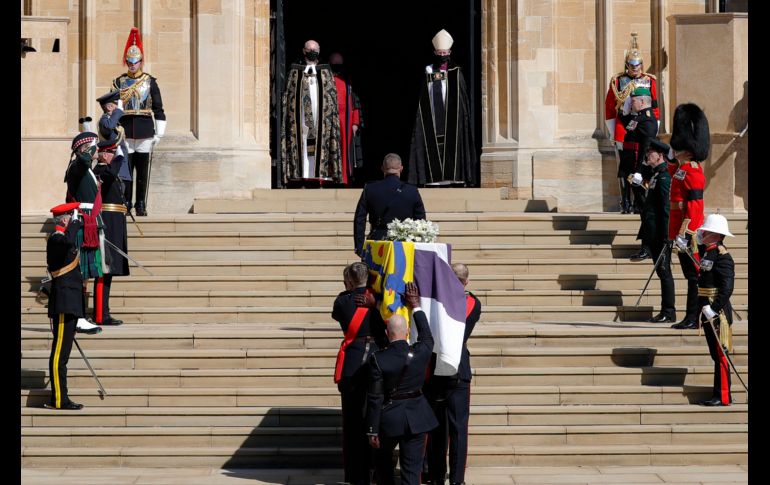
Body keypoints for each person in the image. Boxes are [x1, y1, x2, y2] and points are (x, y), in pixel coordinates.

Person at [366, 282, 438, 485]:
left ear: (388, 334)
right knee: (411, 471)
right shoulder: (420, 352)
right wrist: (415, 305)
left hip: (389, 418)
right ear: (407, 332)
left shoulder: (378, 359)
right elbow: (427, 336)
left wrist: (372, 428)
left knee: (382, 466)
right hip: (417, 416)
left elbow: (375, 396)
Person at [424, 263, 481, 485]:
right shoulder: (447, 302)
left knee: (447, 430)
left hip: (452, 371)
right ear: (466, 281)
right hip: (443, 372)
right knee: (452, 430)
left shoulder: (469, 303)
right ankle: (452, 479)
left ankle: (445, 478)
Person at [332, 262, 387, 485]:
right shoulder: (381, 300)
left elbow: (338, 315)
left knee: (354, 422)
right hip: (378, 358)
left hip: (353, 361)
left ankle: (357, 475)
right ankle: (378, 470)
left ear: (349, 281)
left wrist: (351, 288)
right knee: (376, 419)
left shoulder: (342, 301)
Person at [408, 29, 476, 187]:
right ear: (435, 52)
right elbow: (424, 95)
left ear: (450, 51)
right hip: (432, 114)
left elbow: (462, 98)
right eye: (439, 52)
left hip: (451, 116)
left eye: (444, 52)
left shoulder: (456, 71)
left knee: (452, 143)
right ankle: (433, 179)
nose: (442, 55)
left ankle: (455, 178)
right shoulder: (429, 70)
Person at [112, 27, 166, 216]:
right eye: (129, 61)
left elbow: (158, 108)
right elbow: (115, 107)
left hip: (144, 129)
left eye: (135, 61)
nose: (132, 64)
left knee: (142, 171)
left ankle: (141, 203)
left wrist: (159, 133)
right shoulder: (119, 82)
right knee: (126, 171)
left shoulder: (150, 81)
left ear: (141, 62)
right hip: (126, 130)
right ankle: (126, 202)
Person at [605, 32, 659, 213]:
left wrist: (654, 127)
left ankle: (640, 202)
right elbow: (609, 107)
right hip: (624, 126)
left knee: (643, 162)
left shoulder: (650, 81)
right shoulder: (618, 81)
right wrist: (613, 132)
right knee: (624, 165)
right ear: (627, 65)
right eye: (632, 65)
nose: (635, 68)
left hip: (644, 126)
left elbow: (656, 106)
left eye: (638, 65)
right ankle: (625, 201)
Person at [668, 103, 709, 330]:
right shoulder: (683, 168)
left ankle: (693, 318)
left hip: (689, 233)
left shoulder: (693, 171)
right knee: (690, 276)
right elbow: (671, 173)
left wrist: (686, 233)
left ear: (689, 148)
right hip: (678, 230)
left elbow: (694, 206)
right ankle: (691, 317)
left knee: (694, 277)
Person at [281, 39, 342, 186]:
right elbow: (288, 97)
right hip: (301, 119)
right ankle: (301, 176)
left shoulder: (326, 71)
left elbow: (331, 98)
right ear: (304, 51)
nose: (312, 52)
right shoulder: (295, 71)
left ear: (319, 51)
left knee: (320, 143)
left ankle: (320, 176)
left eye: (315, 49)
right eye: (309, 49)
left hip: (321, 119)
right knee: (302, 142)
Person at [45, 202, 86, 410]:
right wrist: (75, 226)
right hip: (62, 303)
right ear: (63, 219)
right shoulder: (56, 239)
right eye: (71, 216)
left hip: (70, 303)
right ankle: (60, 399)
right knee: (59, 355)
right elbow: (66, 243)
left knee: (64, 354)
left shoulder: (63, 238)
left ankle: (61, 396)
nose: (73, 219)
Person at [64, 131, 104, 335]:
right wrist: (89, 151)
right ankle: (78, 317)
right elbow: (83, 162)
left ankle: (80, 315)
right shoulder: (77, 166)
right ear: (85, 148)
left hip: (89, 222)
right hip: (82, 224)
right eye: (94, 145)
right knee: (80, 274)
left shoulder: (86, 168)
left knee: (86, 275)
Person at [695, 214, 735, 406]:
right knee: (715, 354)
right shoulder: (709, 251)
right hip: (706, 308)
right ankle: (718, 393)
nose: (703, 232)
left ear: (716, 235)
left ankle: (723, 396)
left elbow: (727, 288)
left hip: (717, 313)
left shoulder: (722, 256)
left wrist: (714, 308)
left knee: (720, 355)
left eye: (707, 231)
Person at [634, 139, 675, 323]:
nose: (648, 155)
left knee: (664, 271)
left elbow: (666, 208)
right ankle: (665, 310)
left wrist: (667, 234)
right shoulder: (655, 175)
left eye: (651, 153)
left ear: (660, 155)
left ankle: (669, 311)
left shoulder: (664, 177)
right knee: (661, 271)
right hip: (653, 232)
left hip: (661, 233)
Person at [353, 153, 426, 256]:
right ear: (401, 168)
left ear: (383, 168)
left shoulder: (370, 189)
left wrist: (360, 247)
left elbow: (359, 219)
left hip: (377, 243)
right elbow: (420, 221)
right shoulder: (411, 191)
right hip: (404, 245)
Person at [91, 136, 129, 326]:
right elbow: (111, 173)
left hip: (115, 224)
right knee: (103, 270)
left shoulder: (106, 170)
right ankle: (100, 314)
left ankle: (103, 311)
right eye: (113, 153)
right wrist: (120, 158)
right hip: (107, 224)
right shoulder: (100, 171)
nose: (115, 156)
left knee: (109, 271)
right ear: (105, 154)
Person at [619, 88, 658, 217]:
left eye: (633, 100)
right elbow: (628, 128)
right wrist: (623, 111)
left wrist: (639, 170)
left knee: (641, 198)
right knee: (636, 193)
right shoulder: (639, 117)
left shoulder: (648, 119)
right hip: (629, 159)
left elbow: (646, 146)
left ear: (642, 101)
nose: (632, 103)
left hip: (637, 161)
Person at [329, 52, 364, 187]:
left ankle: (344, 179)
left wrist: (355, 122)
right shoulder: (326, 79)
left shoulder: (348, 81)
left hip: (346, 119)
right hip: (330, 118)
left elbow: (355, 102)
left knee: (345, 150)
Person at [96, 90, 133, 186]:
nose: (120, 108)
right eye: (117, 105)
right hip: (112, 166)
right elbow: (109, 127)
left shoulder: (114, 122)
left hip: (120, 166)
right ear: (109, 107)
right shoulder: (104, 121)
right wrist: (118, 111)